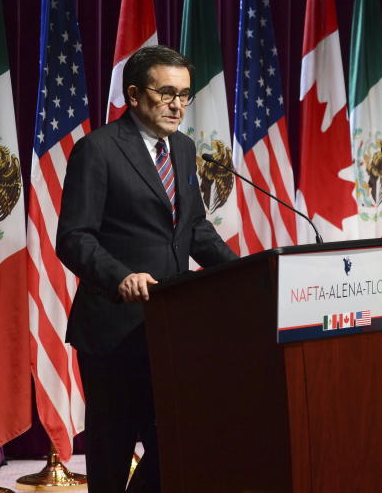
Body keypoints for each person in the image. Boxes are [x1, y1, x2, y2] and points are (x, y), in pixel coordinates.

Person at [57, 45, 237, 493]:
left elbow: (194, 228)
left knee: (178, 438)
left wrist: (244, 273)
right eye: (167, 93)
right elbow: (74, 237)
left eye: (185, 95)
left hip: (170, 324)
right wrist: (121, 276)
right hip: (115, 326)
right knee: (112, 448)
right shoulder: (97, 150)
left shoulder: (183, 147)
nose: (178, 104)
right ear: (134, 94)